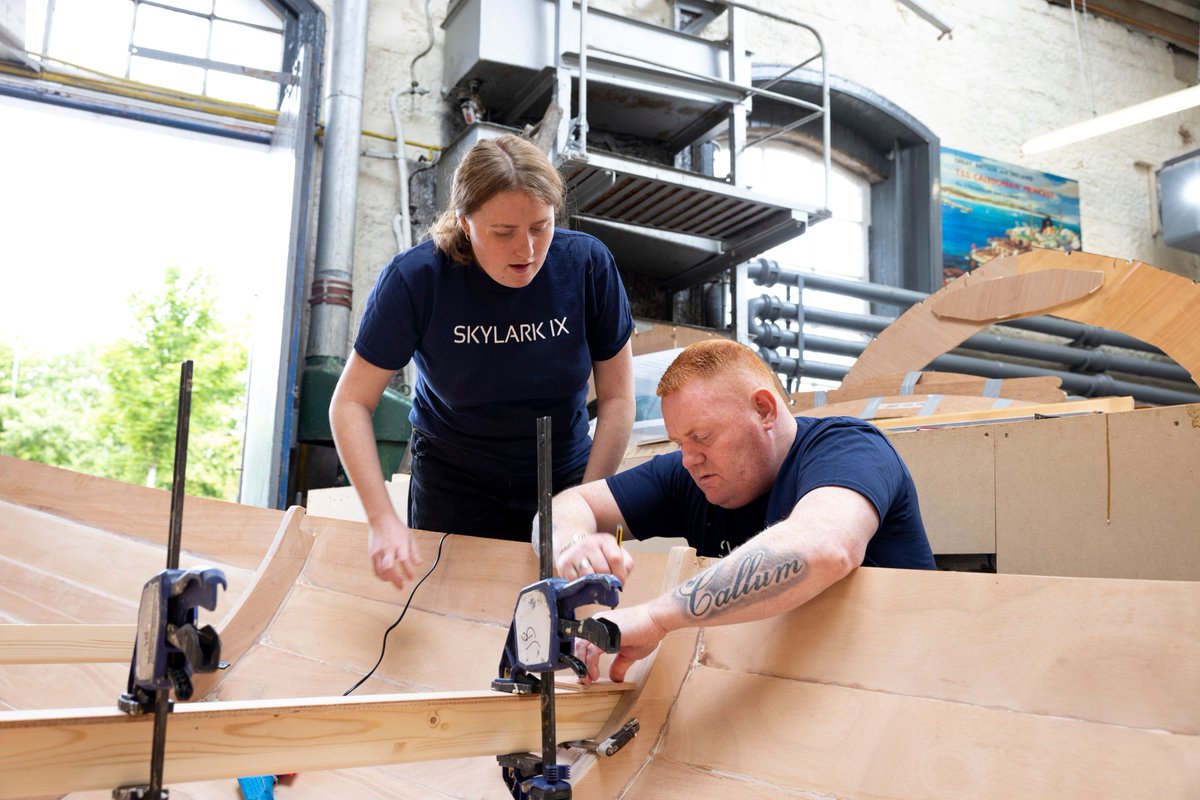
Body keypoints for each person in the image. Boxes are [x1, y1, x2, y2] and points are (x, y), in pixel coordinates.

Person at [331, 133, 635, 591]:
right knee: (453, 615)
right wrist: (381, 519)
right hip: (456, 480)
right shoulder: (417, 280)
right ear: (464, 221)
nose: (527, 251)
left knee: (562, 618)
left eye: (540, 227)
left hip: (564, 475)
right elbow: (350, 403)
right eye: (504, 233)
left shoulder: (587, 265)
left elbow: (617, 399)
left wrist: (586, 508)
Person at [540, 339, 935, 684]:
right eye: (680, 442)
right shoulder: (691, 473)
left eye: (703, 438)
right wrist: (573, 545)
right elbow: (569, 505)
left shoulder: (849, 449)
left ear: (764, 410)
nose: (689, 460)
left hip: (906, 687)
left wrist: (656, 618)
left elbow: (824, 549)